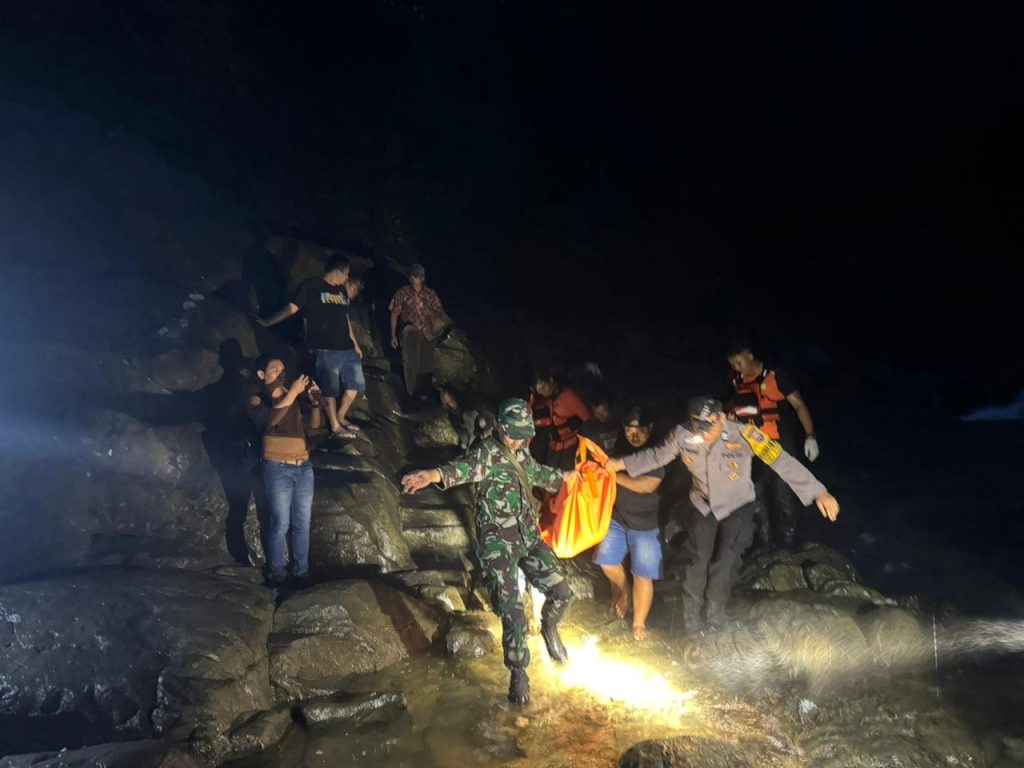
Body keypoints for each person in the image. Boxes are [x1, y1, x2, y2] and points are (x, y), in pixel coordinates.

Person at [605, 397, 839, 633]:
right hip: (703, 504)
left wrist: (818, 492)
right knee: (697, 562)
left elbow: (780, 459)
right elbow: (656, 456)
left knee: (726, 560)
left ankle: (715, 614)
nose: (704, 433)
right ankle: (692, 622)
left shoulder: (745, 435)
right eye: (699, 427)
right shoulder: (682, 434)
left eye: (709, 427)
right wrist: (619, 464)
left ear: (722, 418)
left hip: (738, 505)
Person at [402, 399, 575, 706]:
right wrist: (432, 475)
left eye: (523, 436)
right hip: (498, 545)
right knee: (513, 611)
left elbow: (537, 473)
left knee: (562, 592)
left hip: (528, 538)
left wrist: (565, 477)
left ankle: (549, 626)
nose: (518, 441)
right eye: (514, 435)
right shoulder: (486, 454)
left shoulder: (522, 452)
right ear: (500, 428)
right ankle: (518, 672)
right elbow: (461, 469)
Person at [258, 255, 365, 439]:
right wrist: (269, 322)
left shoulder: (341, 291)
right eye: (346, 273)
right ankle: (335, 425)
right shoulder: (312, 285)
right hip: (325, 347)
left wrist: (355, 343)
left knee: (356, 383)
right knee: (330, 388)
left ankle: (341, 416)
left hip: (346, 347)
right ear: (338, 270)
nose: (347, 277)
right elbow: (292, 308)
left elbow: (345, 317)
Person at [725, 340, 820, 547]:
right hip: (750, 443)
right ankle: (764, 542)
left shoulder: (775, 376)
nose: (737, 368)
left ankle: (788, 540)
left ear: (749, 355)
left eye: (739, 362)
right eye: (733, 365)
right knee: (755, 492)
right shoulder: (736, 379)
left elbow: (799, 404)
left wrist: (810, 435)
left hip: (778, 440)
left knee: (781, 491)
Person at [246, 356, 322, 588]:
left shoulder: (292, 396)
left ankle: (302, 571)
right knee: (280, 522)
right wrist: (294, 394)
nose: (280, 372)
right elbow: (269, 422)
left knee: (303, 522)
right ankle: (277, 573)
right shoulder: (258, 398)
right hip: (278, 467)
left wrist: (315, 403)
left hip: (303, 466)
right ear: (262, 374)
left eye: (282, 368)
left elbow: (314, 426)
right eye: (274, 368)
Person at [593, 407, 664, 641]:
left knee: (643, 574)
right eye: (629, 430)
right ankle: (624, 588)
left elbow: (647, 485)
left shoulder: (656, 453)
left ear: (650, 428)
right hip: (618, 518)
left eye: (639, 430)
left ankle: (639, 624)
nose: (633, 435)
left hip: (645, 524)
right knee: (605, 560)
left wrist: (614, 474)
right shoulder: (619, 449)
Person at [389, 263, 445, 401]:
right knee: (411, 363)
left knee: (427, 365)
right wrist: (393, 335)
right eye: (412, 276)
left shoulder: (430, 294)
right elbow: (394, 313)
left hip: (428, 332)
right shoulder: (403, 292)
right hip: (411, 329)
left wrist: (430, 312)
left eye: (417, 276)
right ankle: (411, 395)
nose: (413, 278)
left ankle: (424, 394)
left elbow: (439, 312)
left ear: (422, 278)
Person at [528, 369, 592, 470]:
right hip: (553, 450)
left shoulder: (568, 396)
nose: (543, 393)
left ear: (550, 380)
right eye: (539, 391)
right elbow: (531, 419)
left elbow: (588, 419)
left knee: (570, 478)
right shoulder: (542, 401)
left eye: (544, 387)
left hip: (571, 449)